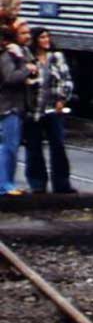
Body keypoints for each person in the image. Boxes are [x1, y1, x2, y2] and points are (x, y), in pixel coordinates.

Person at [23, 29, 73, 195]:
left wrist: (62, 98)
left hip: (53, 110)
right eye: (42, 37)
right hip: (33, 111)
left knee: (58, 146)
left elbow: (66, 80)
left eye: (48, 37)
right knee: (34, 147)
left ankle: (62, 184)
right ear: (35, 40)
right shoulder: (28, 59)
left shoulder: (57, 57)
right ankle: (37, 184)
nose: (46, 40)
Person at [0, 21, 27, 197]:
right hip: (9, 107)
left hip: (11, 106)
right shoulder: (6, 57)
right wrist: (27, 69)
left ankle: (6, 184)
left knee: (10, 146)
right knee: (9, 147)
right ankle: (5, 185)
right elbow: (10, 77)